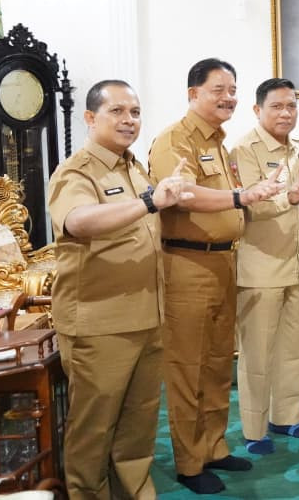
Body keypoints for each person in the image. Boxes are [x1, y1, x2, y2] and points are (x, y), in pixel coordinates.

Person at [148, 58, 286, 495]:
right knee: (187, 367)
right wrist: (241, 195)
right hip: (187, 265)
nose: (229, 98)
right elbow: (182, 194)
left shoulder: (219, 143)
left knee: (217, 362)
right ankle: (189, 463)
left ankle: (213, 447)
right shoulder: (175, 140)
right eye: (218, 90)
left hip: (224, 262)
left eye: (233, 90)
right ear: (194, 94)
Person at [48, 80, 191, 500]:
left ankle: (134, 492)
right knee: (93, 428)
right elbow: (78, 221)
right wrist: (149, 202)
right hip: (100, 323)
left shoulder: (134, 168)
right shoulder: (77, 171)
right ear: (91, 118)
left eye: (135, 112)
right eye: (117, 111)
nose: (129, 120)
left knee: (138, 424)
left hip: (146, 317)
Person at [229, 78, 299, 455]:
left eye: (291, 106)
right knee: (257, 353)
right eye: (277, 106)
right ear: (258, 110)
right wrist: (290, 197)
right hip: (261, 268)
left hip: (297, 264)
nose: (286, 113)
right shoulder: (243, 150)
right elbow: (251, 206)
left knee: (294, 349)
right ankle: (255, 430)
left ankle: (287, 417)